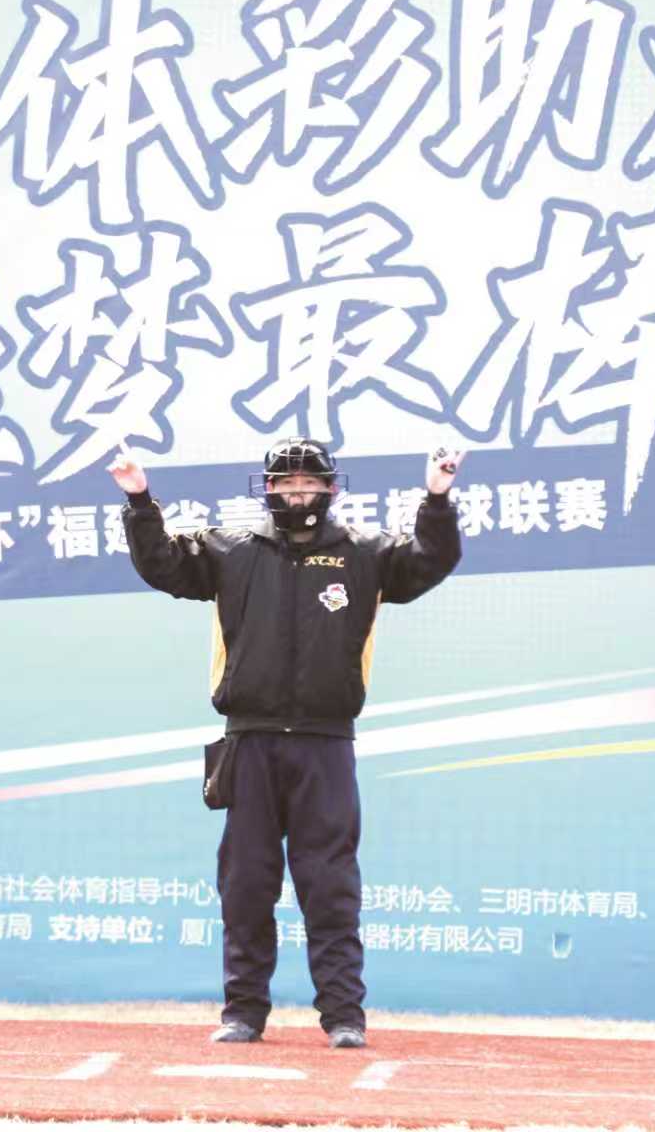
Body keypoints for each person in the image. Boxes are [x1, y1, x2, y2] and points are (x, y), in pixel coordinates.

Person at [112, 437, 463, 1049]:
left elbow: (429, 561)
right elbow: (163, 564)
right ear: (268, 489)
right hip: (250, 742)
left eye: (309, 483)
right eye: (286, 483)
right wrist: (140, 500)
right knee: (246, 882)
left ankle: (344, 1017)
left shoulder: (365, 552)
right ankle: (243, 1012)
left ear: (329, 489)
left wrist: (436, 498)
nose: (298, 493)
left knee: (330, 886)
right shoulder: (231, 549)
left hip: (325, 745)